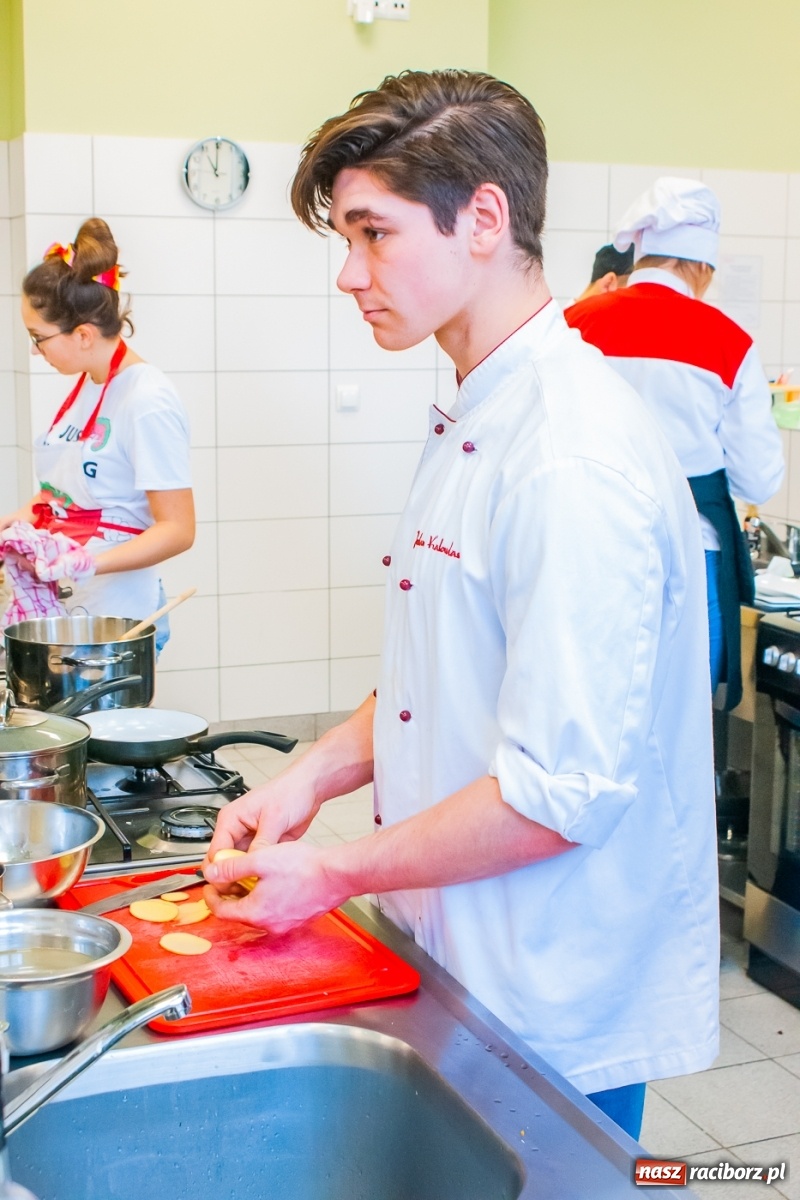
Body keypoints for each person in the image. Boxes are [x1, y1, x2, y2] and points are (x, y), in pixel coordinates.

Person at [202, 71, 720, 1141]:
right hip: (456, 955)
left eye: (372, 234)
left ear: (483, 216)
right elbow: (448, 665)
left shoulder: (568, 454)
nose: (350, 274)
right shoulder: (477, 413)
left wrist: (331, 871)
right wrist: (312, 774)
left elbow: (553, 793)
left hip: (547, 994)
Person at [565, 178, 784, 709]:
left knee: (586, 702)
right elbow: (758, 478)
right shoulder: (728, 342)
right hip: (690, 551)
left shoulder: (572, 325)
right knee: (679, 716)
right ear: (701, 266)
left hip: (584, 544)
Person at [2, 218, 195, 648]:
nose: (35, 350)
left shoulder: (146, 400)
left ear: (84, 335)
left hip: (118, 618)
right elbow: (61, 496)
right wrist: (13, 525)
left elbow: (178, 529)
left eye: (39, 337)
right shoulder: (87, 385)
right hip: (70, 605)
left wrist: (86, 561)